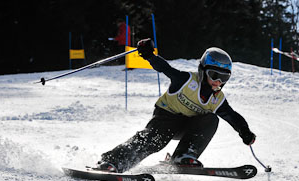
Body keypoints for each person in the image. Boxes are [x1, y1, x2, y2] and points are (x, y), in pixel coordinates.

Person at [95, 38, 256, 173]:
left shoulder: (217, 99)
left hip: (187, 127)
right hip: (165, 120)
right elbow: (165, 68)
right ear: (202, 71)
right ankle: (113, 162)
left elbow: (232, 116)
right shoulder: (186, 80)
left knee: (212, 119)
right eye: (214, 75)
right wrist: (149, 55)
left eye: (224, 78)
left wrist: (245, 131)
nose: (218, 82)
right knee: (154, 140)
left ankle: (183, 156)